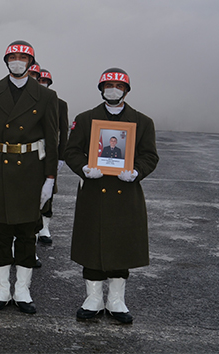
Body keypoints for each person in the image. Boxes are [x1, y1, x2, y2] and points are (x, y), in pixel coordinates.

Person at [64, 68, 159, 324]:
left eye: (118, 85)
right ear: (101, 89)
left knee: (121, 246)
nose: (113, 89)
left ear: (126, 90)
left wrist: (137, 171)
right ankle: (93, 299)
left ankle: (117, 300)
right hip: (94, 191)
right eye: (108, 85)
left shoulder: (142, 121)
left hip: (125, 193)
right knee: (92, 245)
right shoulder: (85, 119)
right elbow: (71, 151)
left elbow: (150, 155)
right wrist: (84, 168)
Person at [0, 40, 59, 314]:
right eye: (12, 56)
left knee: (26, 232)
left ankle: (22, 289)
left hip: (31, 169)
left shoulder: (46, 96)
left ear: (31, 62)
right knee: (0, 233)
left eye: (23, 57)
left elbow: (52, 139)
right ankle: (1, 289)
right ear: (6, 60)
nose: (17, 61)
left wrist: (50, 178)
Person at [35, 68, 69, 245]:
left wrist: (61, 157)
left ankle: (44, 227)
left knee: (49, 189)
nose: (42, 84)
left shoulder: (59, 104)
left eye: (44, 81)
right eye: (39, 80)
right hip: (31, 153)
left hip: (50, 153)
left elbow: (64, 132)